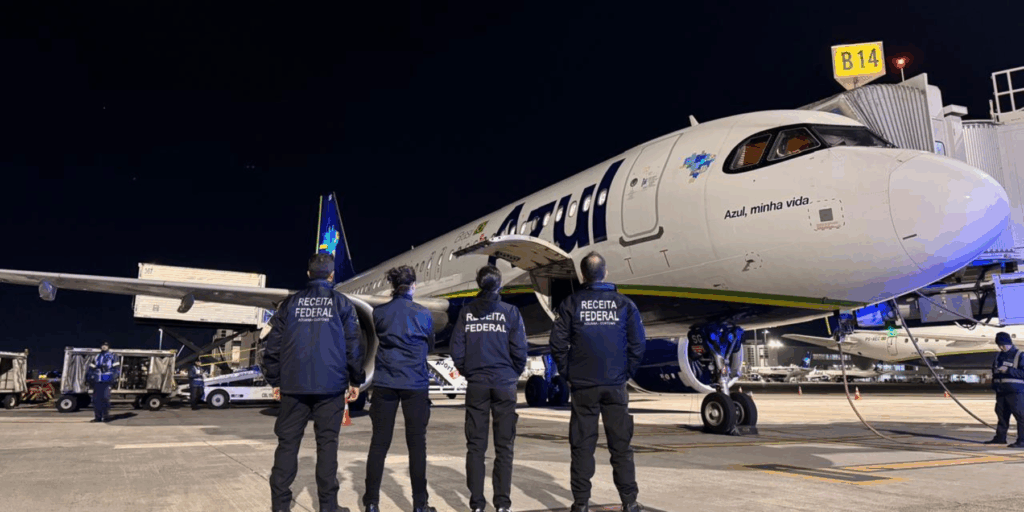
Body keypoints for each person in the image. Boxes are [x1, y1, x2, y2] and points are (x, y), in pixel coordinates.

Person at [263, 253, 365, 512]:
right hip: (330, 388)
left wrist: (275, 379)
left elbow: (271, 346)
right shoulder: (342, 303)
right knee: (327, 445)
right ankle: (328, 507)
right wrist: (356, 379)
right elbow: (354, 345)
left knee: (287, 445)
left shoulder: (289, 304)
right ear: (332, 276)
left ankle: (280, 506)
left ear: (308, 274)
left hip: (293, 386)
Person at [549, 251, 646, 512]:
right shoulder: (625, 304)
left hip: (583, 388)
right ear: (605, 273)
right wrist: (626, 372)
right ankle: (630, 502)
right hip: (615, 386)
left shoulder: (570, 304)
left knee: (582, 447)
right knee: (621, 447)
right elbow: (638, 344)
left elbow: (557, 345)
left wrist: (569, 372)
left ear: (583, 275)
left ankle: (580, 504)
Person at [451, 265, 528, 512]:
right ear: (500, 285)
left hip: (478, 385)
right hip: (504, 385)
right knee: (504, 447)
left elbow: (457, 350)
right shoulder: (510, 312)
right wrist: (510, 374)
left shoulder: (467, 312)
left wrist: (470, 372)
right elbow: (520, 351)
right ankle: (503, 504)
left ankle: (476, 504)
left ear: (478, 283)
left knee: (475, 446)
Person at [363, 265, 437, 512]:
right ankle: (420, 505)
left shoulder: (379, 313)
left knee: (379, 445)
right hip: (415, 384)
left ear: (393, 287)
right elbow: (431, 344)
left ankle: (371, 504)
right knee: (417, 446)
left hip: (385, 383)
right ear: (413, 286)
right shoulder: (424, 314)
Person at [984, 332, 1024, 448]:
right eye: (999, 345)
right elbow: (994, 372)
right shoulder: (998, 356)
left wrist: (1008, 370)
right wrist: (994, 386)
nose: (1001, 347)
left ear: (1009, 343)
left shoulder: (1019, 355)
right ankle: (1000, 438)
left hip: (1016, 392)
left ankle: (1022, 440)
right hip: (1001, 391)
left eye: (1003, 345)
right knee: (1001, 416)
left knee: (1020, 416)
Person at [88, 341, 119, 423]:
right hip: (97, 380)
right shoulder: (97, 356)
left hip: (107, 380)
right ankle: (97, 417)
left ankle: (105, 416)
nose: (104, 347)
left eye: (106, 345)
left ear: (108, 346)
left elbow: (116, 369)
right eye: (103, 345)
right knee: (96, 400)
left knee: (105, 399)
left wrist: (114, 379)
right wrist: (89, 377)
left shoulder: (113, 356)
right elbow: (91, 367)